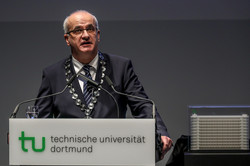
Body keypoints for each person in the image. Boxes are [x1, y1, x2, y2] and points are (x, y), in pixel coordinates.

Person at [35, 10, 172, 160]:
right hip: (68, 154)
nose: (86, 35)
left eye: (90, 29)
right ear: (67, 39)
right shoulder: (52, 74)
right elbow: (40, 118)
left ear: (98, 35)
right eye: (78, 30)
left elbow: (142, 105)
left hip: (115, 153)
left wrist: (160, 131)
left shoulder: (120, 67)